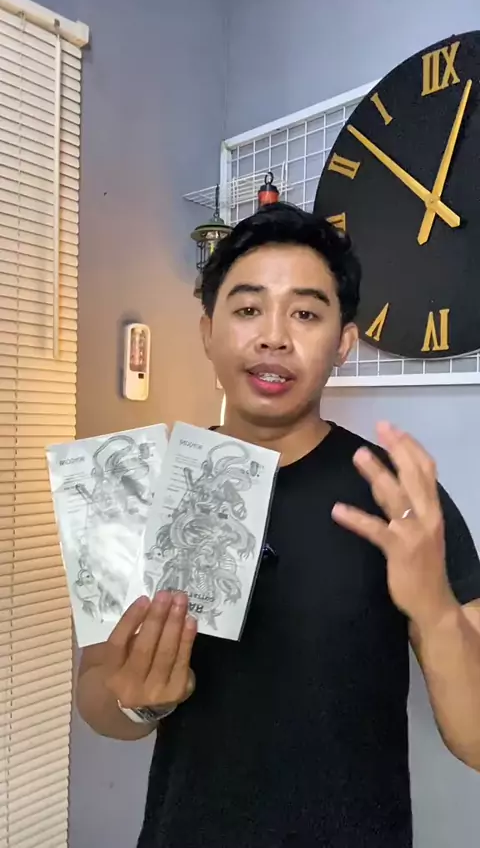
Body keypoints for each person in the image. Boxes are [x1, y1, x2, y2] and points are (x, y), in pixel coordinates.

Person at [76, 203, 480, 848]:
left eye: (306, 314)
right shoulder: (132, 486)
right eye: (247, 309)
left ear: (343, 343)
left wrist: (435, 613)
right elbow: (97, 695)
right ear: (208, 332)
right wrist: (138, 699)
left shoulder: (401, 500)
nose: (273, 337)